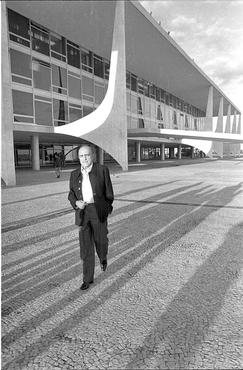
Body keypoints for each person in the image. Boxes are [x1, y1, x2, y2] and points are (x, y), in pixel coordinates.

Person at [68, 144, 114, 290]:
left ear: (92, 155)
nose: (84, 158)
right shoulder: (74, 174)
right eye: (81, 156)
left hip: (98, 211)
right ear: (78, 158)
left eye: (87, 155)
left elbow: (109, 194)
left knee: (101, 241)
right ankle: (87, 279)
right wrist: (76, 202)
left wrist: (105, 210)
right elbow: (71, 194)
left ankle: (103, 257)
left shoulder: (102, 170)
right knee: (86, 248)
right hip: (82, 213)